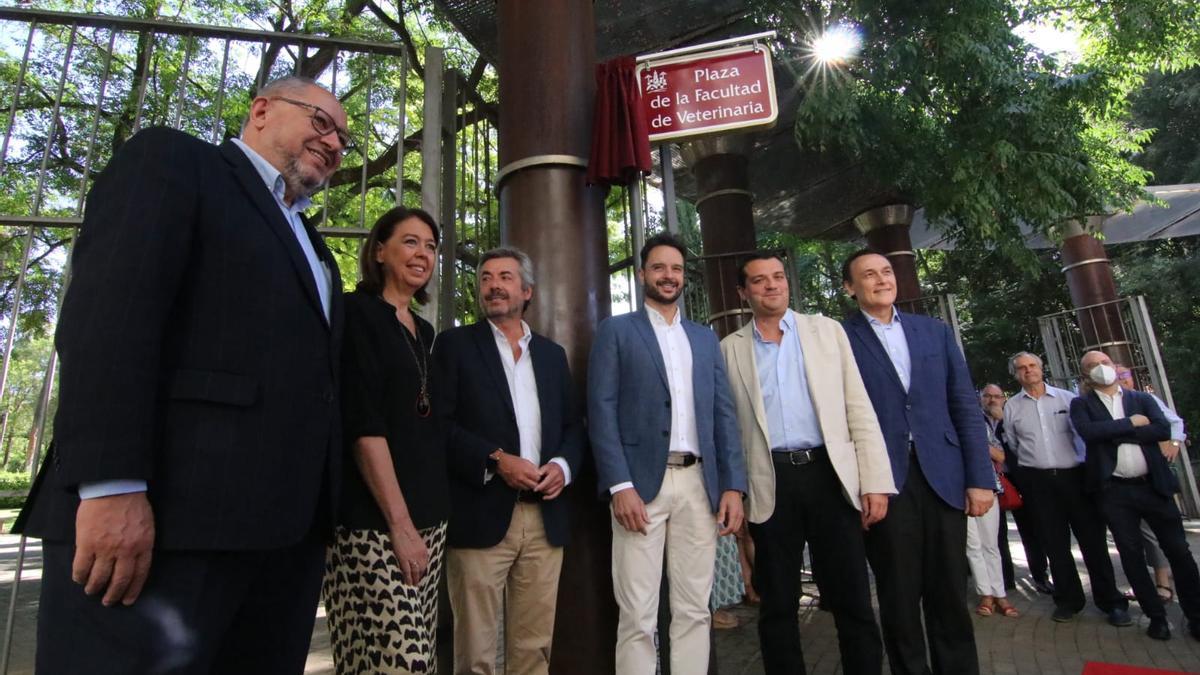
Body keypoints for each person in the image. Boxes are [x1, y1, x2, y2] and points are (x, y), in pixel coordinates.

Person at [13, 75, 346, 672]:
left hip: (280, 548)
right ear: (262, 110)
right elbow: (111, 318)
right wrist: (111, 486)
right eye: (321, 121)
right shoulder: (175, 161)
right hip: (165, 535)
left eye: (344, 137)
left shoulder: (317, 251)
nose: (335, 141)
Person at [720, 253, 894, 674]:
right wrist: (735, 490)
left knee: (852, 593)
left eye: (778, 277)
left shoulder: (826, 332)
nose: (772, 286)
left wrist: (874, 481)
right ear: (743, 292)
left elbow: (859, 407)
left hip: (829, 475)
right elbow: (727, 430)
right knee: (777, 602)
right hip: (770, 481)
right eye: (759, 281)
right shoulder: (729, 350)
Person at [588, 232, 748, 674]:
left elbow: (723, 416)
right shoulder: (617, 331)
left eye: (676, 268)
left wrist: (733, 485)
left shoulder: (704, 339)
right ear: (642, 274)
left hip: (700, 486)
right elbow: (600, 411)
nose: (668, 275)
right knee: (638, 614)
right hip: (640, 487)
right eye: (659, 267)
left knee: (695, 608)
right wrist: (620, 485)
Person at [839, 249, 993, 675]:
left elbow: (964, 405)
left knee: (950, 592)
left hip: (943, 475)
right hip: (884, 482)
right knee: (899, 596)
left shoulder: (934, 332)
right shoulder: (839, 339)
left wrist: (981, 479)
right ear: (851, 288)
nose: (881, 279)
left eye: (886, 271)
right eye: (868, 275)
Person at [434, 247, 585, 675]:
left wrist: (563, 467)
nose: (493, 285)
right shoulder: (455, 346)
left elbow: (575, 427)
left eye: (504, 277)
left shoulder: (553, 356)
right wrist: (496, 459)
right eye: (485, 278)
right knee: (475, 648)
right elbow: (438, 428)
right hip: (480, 514)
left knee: (534, 647)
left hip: (545, 518)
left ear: (527, 291)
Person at [323, 206, 448, 672]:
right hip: (372, 524)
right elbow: (363, 426)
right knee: (402, 663)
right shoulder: (356, 314)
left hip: (430, 520)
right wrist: (400, 525)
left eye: (431, 246)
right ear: (379, 251)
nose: (423, 254)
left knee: (394, 661)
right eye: (410, 242)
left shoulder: (424, 329)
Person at [1070, 351, 1200, 641]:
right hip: (1114, 492)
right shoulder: (1082, 404)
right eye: (1092, 366)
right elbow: (1089, 433)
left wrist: (1115, 432)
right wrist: (1132, 424)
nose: (1100, 369)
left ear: (1114, 367)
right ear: (1085, 374)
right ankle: (1156, 617)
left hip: (1153, 487)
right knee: (1131, 555)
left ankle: (1196, 616)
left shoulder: (1141, 399)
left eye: (1104, 363)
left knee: (1179, 551)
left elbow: (1161, 429)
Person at [1002, 351, 1131, 625]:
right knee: (1054, 543)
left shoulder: (1067, 399)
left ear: (1041, 368)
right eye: (1022, 368)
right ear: (1015, 374)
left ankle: (1111, 602)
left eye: (1033, 365)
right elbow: (1013, 445)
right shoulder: (1012, 407)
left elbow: (1085, 437)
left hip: (1075, 477)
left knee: (1093, 541)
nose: (1028, 371)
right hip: (1039, 483)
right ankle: (1068, 600)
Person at [1116, 364, 1187, 603]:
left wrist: (1174, 443)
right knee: (1139, 535)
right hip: (1122, 483)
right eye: (1115, 376)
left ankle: (1163, 583)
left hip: (1153, 476)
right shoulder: (1102, 406)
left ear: (1131, 378)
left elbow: (1173, 422)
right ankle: (1160, 578)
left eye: (1123, 375)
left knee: (1157, 533)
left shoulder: (1145, 400)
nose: (1120, 380)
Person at [984, 385, 1054, 596]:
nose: (992, 400)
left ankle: (1040, 576)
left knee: (1031, 529)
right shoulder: (976, 420)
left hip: (1019, 479)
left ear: (1004, 399)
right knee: (997, 532)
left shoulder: (1012, 416)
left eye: (997, 396)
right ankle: (1005, 579)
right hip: (992, 480)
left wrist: (1004, 419)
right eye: (987, 396)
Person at [970, 385, 1019, 618]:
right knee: (972, 546)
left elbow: (1000, 455)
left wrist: (973, 441)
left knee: (991, 544)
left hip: (985, 485)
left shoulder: (976, 423)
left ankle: (1000, 593)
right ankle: (985, 594)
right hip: (956, 489)